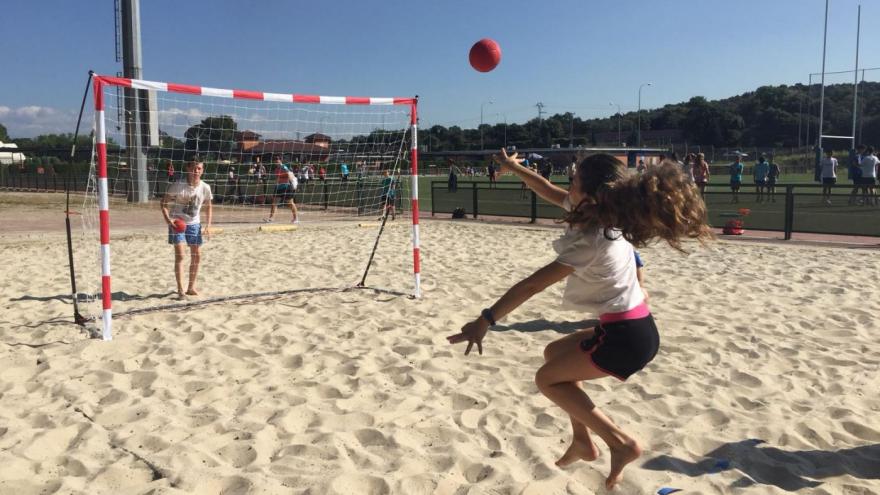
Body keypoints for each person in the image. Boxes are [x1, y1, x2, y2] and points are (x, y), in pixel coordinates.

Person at [447, 149, 712, 490]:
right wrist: (514, 168)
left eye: (573, 181)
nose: (567, 187)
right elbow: (547, 189)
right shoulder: (600, 214)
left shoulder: (592, 239)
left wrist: (485, 320)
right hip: (635, 328)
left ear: (591, 193)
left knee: (547, 380)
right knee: (554, 353)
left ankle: (620, 443)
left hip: (626, 338)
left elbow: (532, 285)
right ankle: (583, 442)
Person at [160, 158, 213, 299]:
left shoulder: (205, 187)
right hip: (177, 224)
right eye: (194, 168)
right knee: (181, 256)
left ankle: (191, 287)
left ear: (202, 170)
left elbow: (209, 206)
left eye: (199, 168)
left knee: (197, 256)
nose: (196, 171)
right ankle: (180, 290)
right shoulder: (177, 185)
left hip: (194, 225)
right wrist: (168, 219)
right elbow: (163, 203)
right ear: (188, 168)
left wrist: (208, 225)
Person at [265, 156, 299, 223]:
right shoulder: (276, 169)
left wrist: (294, 184)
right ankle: (271, 218)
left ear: (280, 160)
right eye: (275, 159)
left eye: (277, 159)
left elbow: (290, 174)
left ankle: (296, 218)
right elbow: (278, 178)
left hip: (286, 187)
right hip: (279, 187)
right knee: (274, 203)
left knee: (290, 203)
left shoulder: (284, 167)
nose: (276, 160)